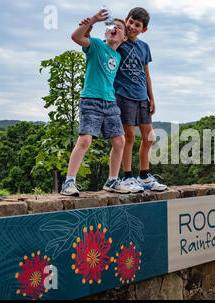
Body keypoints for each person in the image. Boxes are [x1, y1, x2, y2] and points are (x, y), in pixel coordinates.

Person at [60, 9, 130, 196]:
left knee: (119, 141)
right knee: (85, 140)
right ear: (106, 32)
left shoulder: (118, 56)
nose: (114, 28)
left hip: (110, 102)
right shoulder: (97, 45)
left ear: (124, 38)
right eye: (111, 26)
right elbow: (76, 37)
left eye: (119, 28)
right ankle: (69, 182)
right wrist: (92, 21)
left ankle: (112, 180)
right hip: (91, 100)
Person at [115, 7, 167, 192]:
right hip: (123, 96)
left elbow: (147, 74)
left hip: (142, 97)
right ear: (126, 20)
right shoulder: (119, 42)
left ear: (143, 29)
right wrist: (117, 35)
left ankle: (144, 177)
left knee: (149, 137)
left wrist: (151, 98)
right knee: (128, 137)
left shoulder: (144, 47)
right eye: (130, 22)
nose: (132, 27)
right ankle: (127, 177)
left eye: (137, 25)